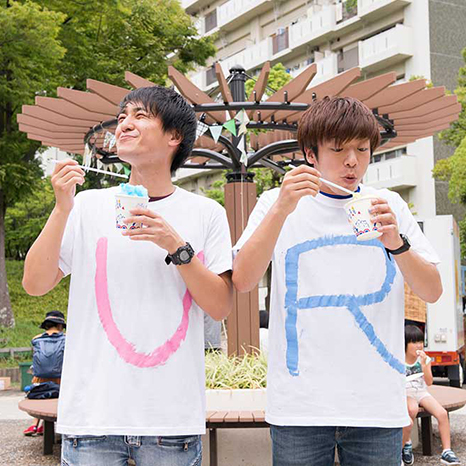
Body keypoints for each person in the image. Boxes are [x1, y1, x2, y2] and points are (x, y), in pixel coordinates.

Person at [22, 86, 233, 465]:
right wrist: (60, 208)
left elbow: (219, 305)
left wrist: (176, 246)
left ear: (174, 136)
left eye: (140, 116)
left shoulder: (206, 213)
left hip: (171, 422)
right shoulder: (86, 205)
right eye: (122, 117)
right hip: (92, 418)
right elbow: (35, 284)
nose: (125, 124)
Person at [232, 96, 443, 466]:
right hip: (299, 408)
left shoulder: (389, 204)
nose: (352, 161)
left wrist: (398, 243)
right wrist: (282, 207)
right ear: (310, 154)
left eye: (362, 149)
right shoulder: (275, 203)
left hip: (376, 407)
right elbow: (244, 280)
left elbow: (432, 290)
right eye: (339, 149)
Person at [402, 325, 460, 465]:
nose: (419, 345)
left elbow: (428, 382)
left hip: (421, 392)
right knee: (412, 409)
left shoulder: (424, 359)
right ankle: (406, 444)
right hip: (406, 393)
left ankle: (446, 451)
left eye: (421, 342)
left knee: (441, 413)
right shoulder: (399, 359)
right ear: (405, 344)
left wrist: (424, 365)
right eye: (414, 342)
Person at [23, 310, 66, 436]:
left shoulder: (36, 339)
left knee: (39, 398)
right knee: (57, 400)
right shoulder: (66, 339)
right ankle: (55, 427)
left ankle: (35, 425)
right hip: (60, 377)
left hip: (39, 378)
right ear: (60, 326)